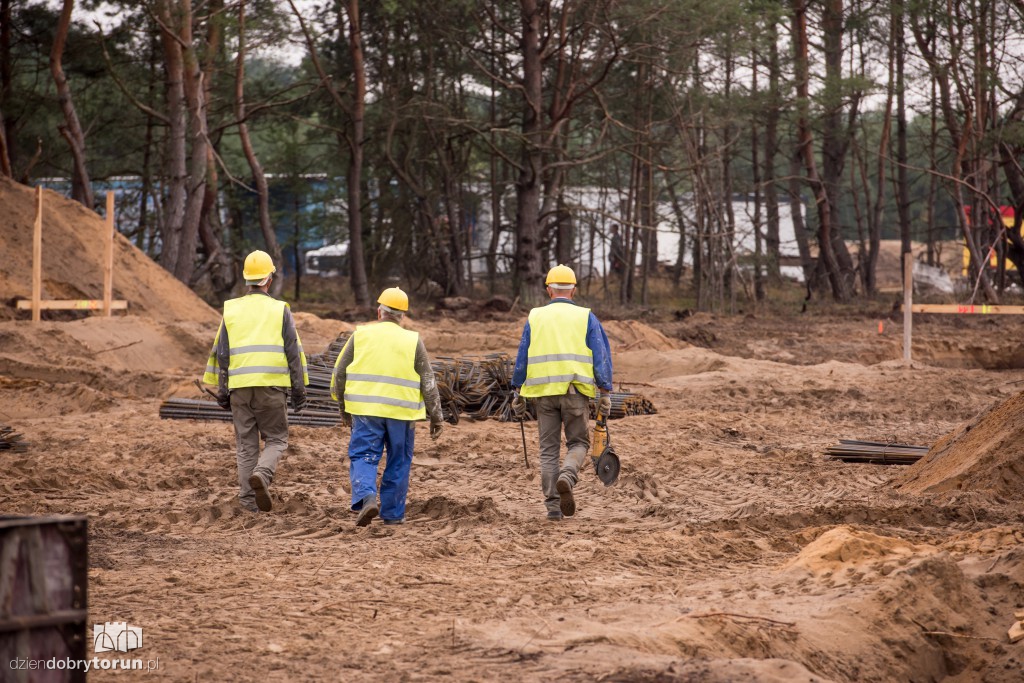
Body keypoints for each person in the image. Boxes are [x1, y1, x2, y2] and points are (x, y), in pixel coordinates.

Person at [203, 250, 309, 513]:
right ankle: (263, 473)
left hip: (240, 389)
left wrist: (223, 391)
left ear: (246, 280)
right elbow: (292, 352)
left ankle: (248, 502)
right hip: (271, 387)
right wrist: (299, 391)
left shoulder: (231, 309)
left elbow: (223, 354)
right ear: (269, 279)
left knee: (246, 445)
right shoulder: (279, 310)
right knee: (276, 439)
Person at [330, 287, 444, 527]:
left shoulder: (360, 335)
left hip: (365, 411)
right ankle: (392, 514)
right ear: (403, 316)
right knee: (399, 460)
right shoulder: (413, 340)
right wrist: (436, 417)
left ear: (378, 311)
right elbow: (428, 381)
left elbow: (339, 373)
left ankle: (367, 497)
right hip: (402, 414)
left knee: (363, 455)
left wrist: (343, 407)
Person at [511, 264, 613, 521]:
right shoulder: (586, 317)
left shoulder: (535, 317)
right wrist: (605, 392)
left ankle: (553, 507)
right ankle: (568, 475)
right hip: (574, 391)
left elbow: (522, 356)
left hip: (543, 394)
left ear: (548, 290)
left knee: (548, 450)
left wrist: (517, 391)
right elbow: (600, 356)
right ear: (574, 290)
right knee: (578, 443)